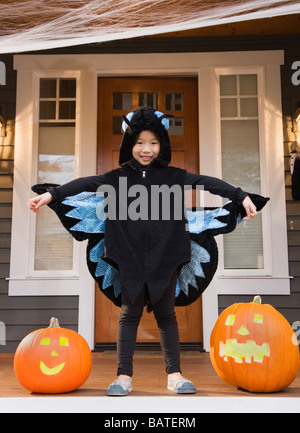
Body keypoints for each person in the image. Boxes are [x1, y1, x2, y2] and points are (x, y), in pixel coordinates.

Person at [28, 107, 263, 396]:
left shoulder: (175, 177)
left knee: (166, 314)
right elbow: (85, 183)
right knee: (130, 314)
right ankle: (123, 377)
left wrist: (242, 196)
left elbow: (208, 183)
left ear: (162, 145)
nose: (146, 149)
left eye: (153, 142)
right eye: (139, 142)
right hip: (129, 257)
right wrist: (52, 194)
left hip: (167, 255)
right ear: (130, 145)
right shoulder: (116, 178)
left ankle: (174, 375)